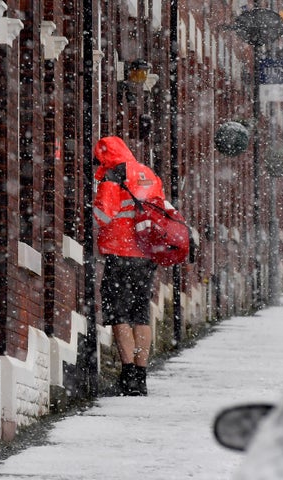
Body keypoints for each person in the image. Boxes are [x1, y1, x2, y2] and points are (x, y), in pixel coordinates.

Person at [93, 136, 166, 396]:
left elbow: (103, 215)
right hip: (146, 255)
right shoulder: (147, 172)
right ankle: (142, 375)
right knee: (141, 313)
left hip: (120, 254)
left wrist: (96, 196)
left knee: (119, 315)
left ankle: (128, 376)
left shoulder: (112, 175)